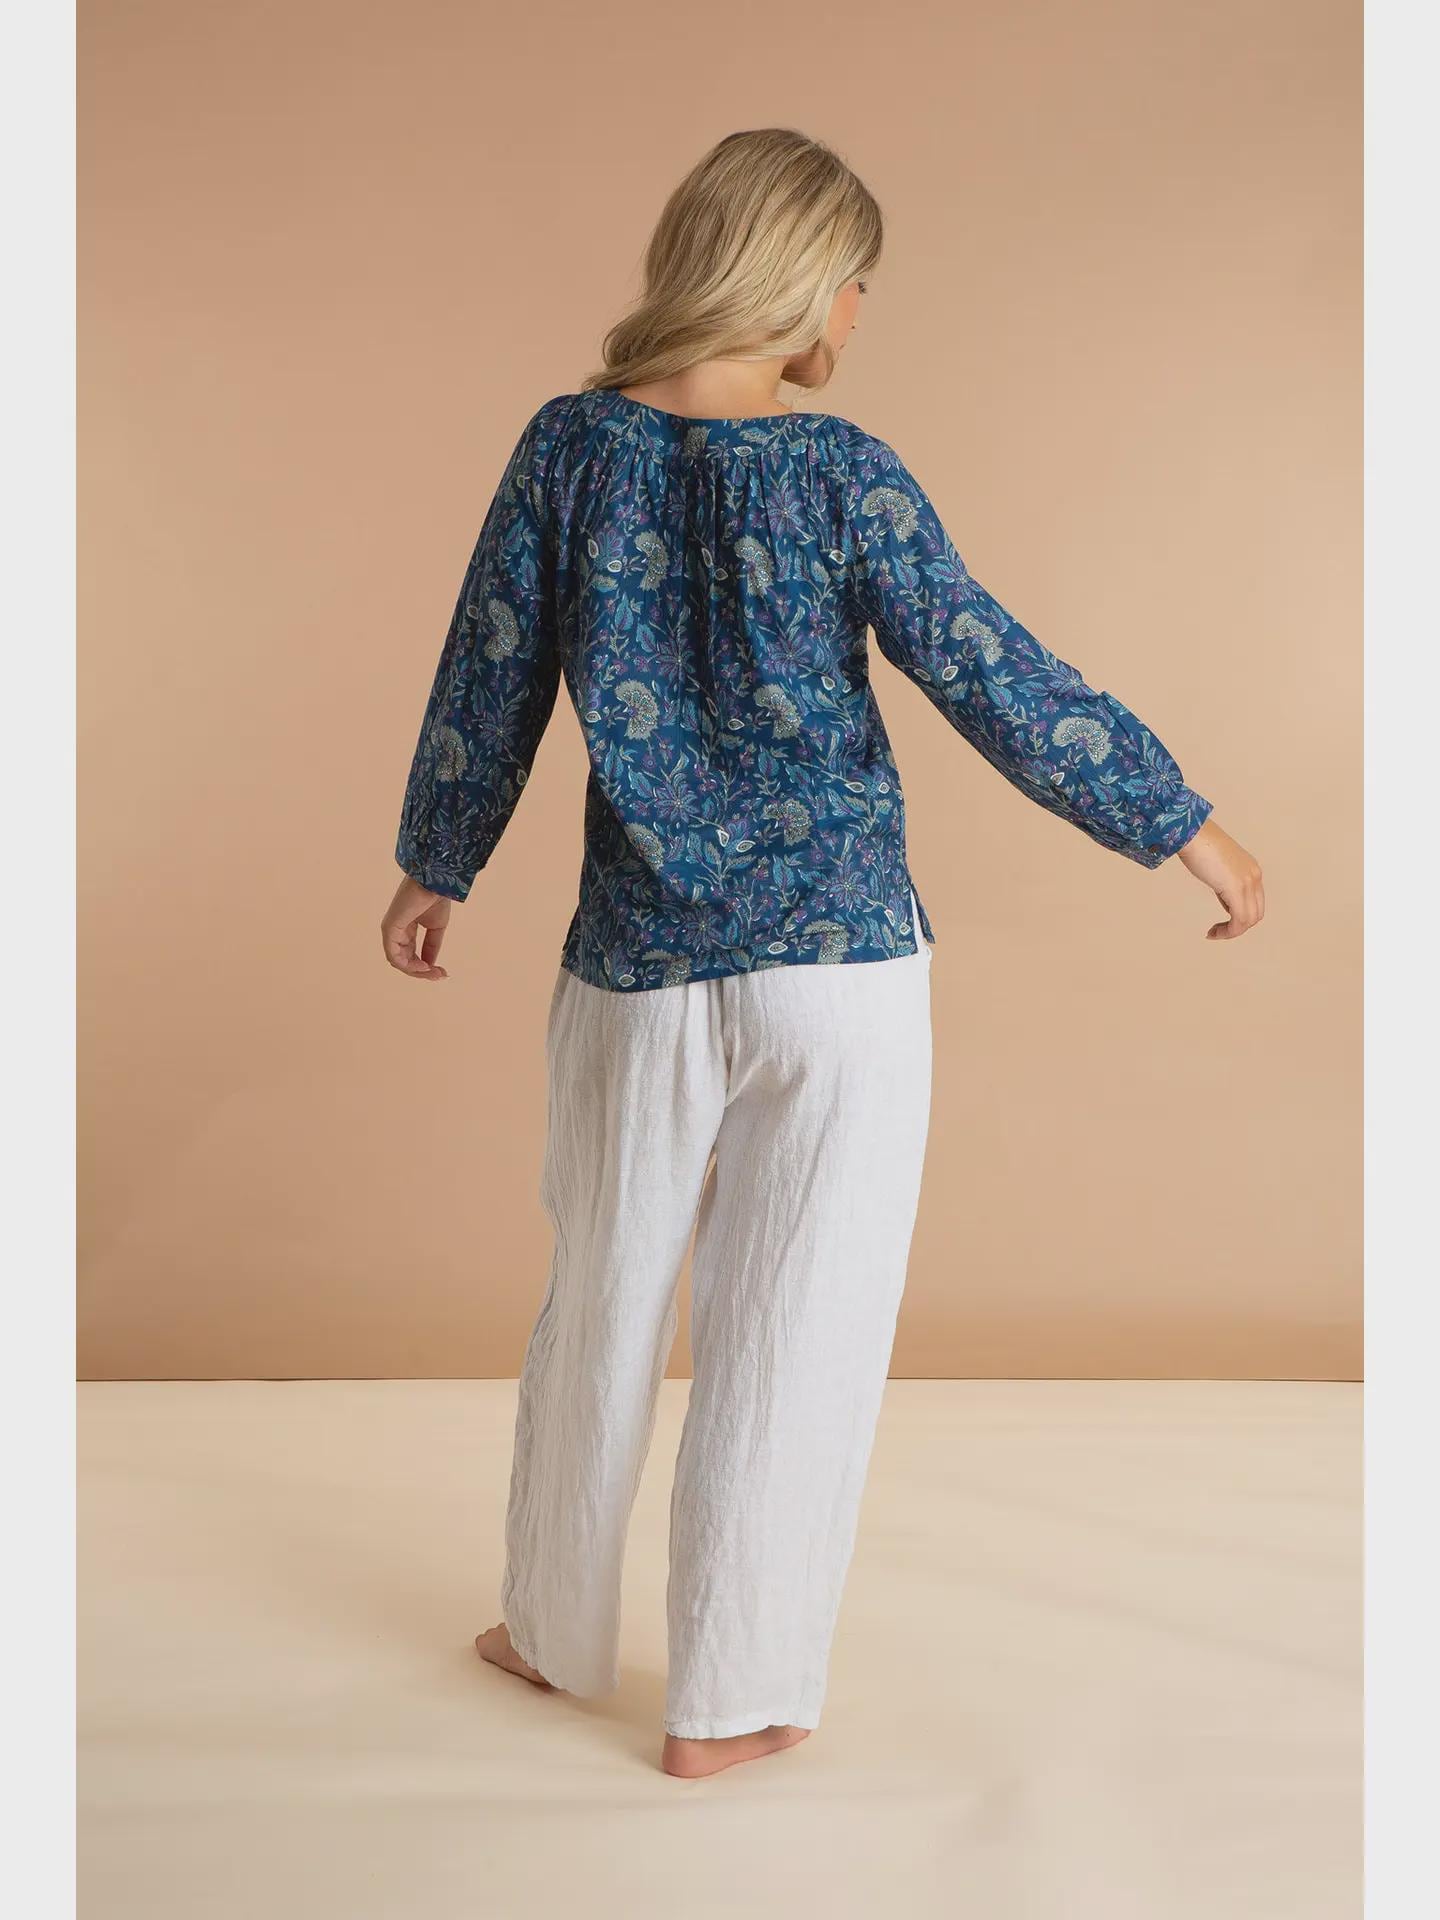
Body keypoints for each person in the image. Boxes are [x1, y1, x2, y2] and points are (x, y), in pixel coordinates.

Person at [380, 128, 1264, 1780]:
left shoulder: (567, 447)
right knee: (800, 1323)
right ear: (798, 284)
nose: (858, 314)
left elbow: (490, 664)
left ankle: (552, 1634)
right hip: (842, 967)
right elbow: (989, 666)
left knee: (599, 1302)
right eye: (856, 283)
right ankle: (735, 1701)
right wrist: (1181, 824)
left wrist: (441, 862)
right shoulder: (845, 469)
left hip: (638, 963)